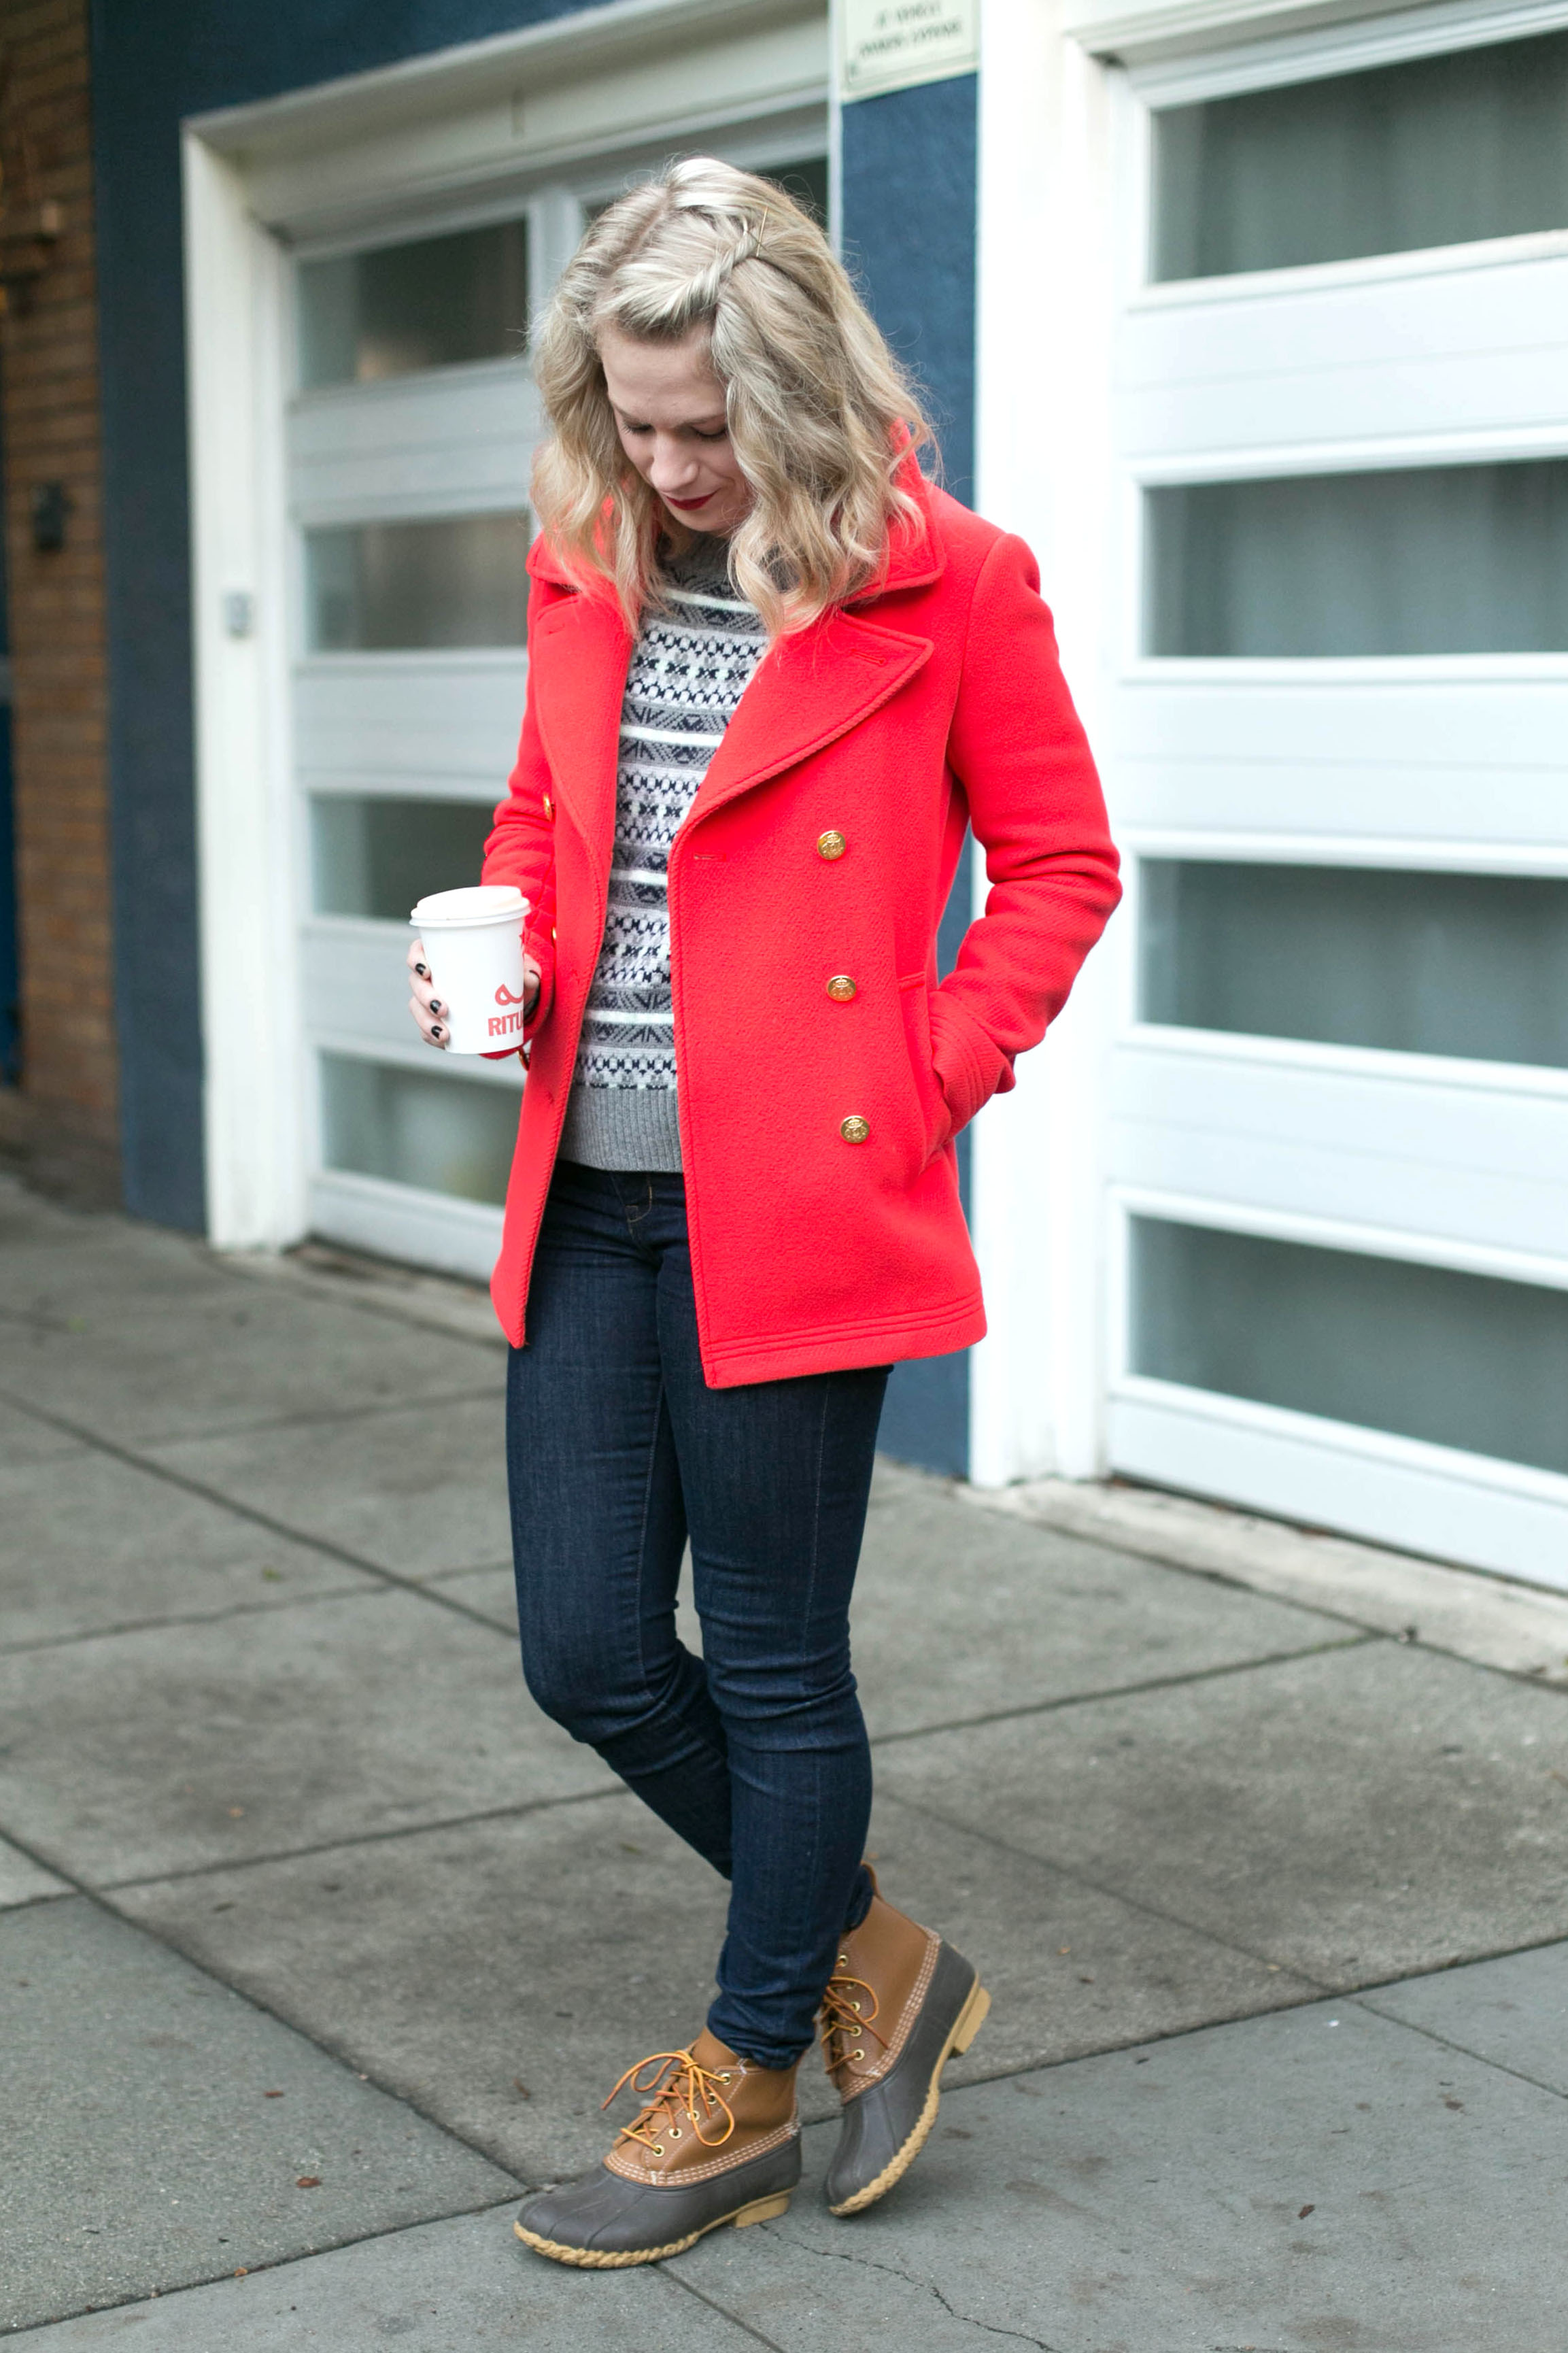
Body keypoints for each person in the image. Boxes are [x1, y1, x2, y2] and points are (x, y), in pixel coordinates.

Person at [407, 156, 1120, 2269]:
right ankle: (878, 1954)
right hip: (592, 1193)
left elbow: (1064, 867)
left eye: (708, 428)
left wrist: (921, 1073)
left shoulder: (947, 581)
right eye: (633, 420)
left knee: (777, 1665)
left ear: (800, 392)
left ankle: (736, 2078)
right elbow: (552, 806)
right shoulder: (589, 549)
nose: (670, 462)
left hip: (792, 1204)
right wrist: (506, 927)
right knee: (589, 1653)